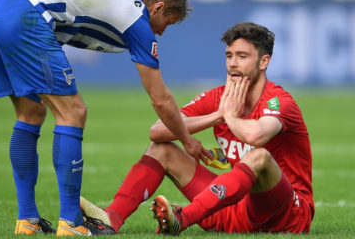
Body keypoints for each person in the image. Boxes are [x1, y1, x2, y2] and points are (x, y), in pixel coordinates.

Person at [0, 0, 210, 236]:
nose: (161, 31)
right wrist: (188, 141)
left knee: (30, 113)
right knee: (73, 112)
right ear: (158, 7)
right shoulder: (137, 20)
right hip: (24, 17)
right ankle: (70, 221)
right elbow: (161, 99)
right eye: (166, 23)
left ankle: (27, 220)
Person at [80, 22, 314, 235]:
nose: (233, 63)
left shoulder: (279, 101)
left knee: (259, 157)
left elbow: (256, 135)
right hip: (234, 212)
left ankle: (183, 218)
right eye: (229, 55)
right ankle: (111, 218)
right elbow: (158, 130)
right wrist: (216, 116)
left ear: (264, 62)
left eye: (242, 56)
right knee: (161, 149)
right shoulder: (218, 99)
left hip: (287, 215)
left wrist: (229, 116)